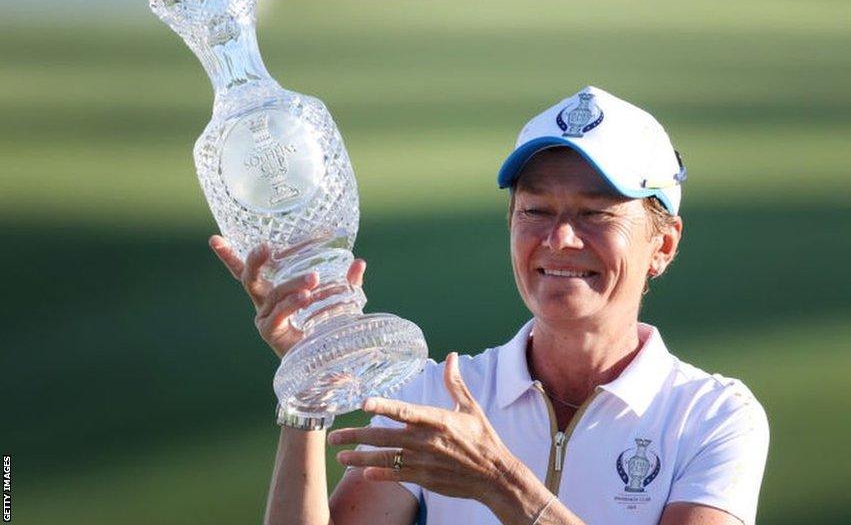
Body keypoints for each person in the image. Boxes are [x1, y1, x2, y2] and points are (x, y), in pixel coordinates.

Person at [211, 86, 769, 525]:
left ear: (663, 244)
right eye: (535, 211)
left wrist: (500, 483)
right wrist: (311, 384)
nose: (559, 239)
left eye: (595, 214)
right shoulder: (433, 398)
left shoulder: (712, 417)